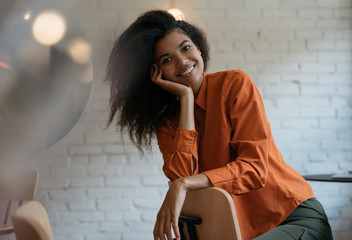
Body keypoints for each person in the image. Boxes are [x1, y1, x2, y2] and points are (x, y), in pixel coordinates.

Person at [105, 10, 333, 240]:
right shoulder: (168, 123)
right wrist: (186, 99)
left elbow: (253, 169)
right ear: (156, 74)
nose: (182, 62)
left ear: (199, 48)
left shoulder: (234, 85)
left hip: (293, 216)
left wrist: (183, 184)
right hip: (238, 231)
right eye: (167, 59)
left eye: (186, 48)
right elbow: (184, 178)